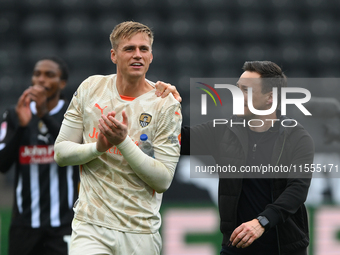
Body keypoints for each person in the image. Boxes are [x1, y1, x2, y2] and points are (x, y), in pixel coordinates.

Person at [156, 61, 314, 255]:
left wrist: (261, 222)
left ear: (270, 98)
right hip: (236, 248)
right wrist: (168, 107)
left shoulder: (296, 136)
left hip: (285, 249)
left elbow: (297, 190)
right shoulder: (223, 130)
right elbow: (174, 141)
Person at [54, 21, 182, 255]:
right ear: (114, 55)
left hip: (140, 231)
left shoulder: (166, 104)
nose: (137, 55)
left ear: (151, 56)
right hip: (91, 226)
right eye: (129, 49)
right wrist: (98, 147)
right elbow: (61, 153)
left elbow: (163, 180)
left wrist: (122, 142)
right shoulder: (90, 88)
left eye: (144, 49)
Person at [0, 56, 79, 255]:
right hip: (24, 225)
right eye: (37, 74)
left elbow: (75, 151)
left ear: (62, 83)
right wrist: (21, 127)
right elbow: (2, 164)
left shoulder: (74, 114)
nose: (41, 79)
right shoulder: (15, 114)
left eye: (49, 75)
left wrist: (44, 115)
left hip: (64, 223)